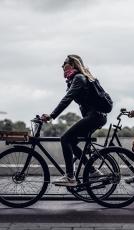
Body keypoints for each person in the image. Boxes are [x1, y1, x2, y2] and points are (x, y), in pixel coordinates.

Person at [41, 55, 107, 186]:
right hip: (96, 116)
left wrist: (52, 115)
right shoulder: (76, 79)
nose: (62, 66)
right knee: (71, 142)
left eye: (64, 63)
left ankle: (70, 177)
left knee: (65, 138)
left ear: (72, 64)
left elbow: (67, 98)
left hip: (95, 117)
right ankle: (93, 171)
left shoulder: (79, 78)